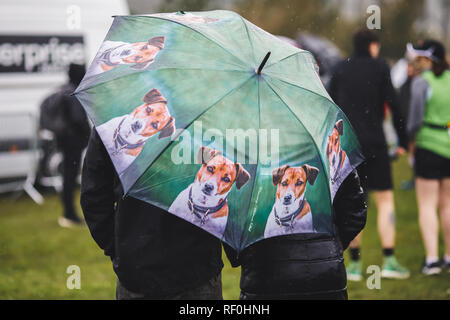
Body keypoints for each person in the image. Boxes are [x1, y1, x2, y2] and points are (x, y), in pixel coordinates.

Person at [80, 129, 224, 299]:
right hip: (183, 266)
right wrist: (116, 248)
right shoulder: (211, 121)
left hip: (187, 267)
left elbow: (93, 195)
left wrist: (119, 248)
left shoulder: (111, 120)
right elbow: (94, 196)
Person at [329, 29, 410, 280]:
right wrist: (402, 140)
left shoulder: (341, 68)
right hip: (376, 142)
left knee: (354, 201)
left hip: (348, 145)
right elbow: (394, 104)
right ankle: (389, 259)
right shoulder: (380, 67)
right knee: (385, 200)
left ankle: (354, 264)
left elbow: (330, 104)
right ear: (373, 45)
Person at [224, 169, 366, 300]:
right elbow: (354, 214)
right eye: (285, 184)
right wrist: (330, 249)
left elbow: (232, 219)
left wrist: (244, 256)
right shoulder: (329, 147)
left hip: (263, 278)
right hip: (325, 277)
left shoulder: (249, 155)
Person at [407, 40, 450, 275]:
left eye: (419, 58)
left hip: (427, 146)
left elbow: (414, 120)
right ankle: (448, 257)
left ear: (429, 60)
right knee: (447, 205)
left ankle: (432, 260)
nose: (415, 62)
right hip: (448, 145)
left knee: (427, 205)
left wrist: (410, 145)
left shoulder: (421, 82)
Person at [53, 64, 91, 227]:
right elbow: (78, 119)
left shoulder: (63, 90)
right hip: (72, 142)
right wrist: (89, 134)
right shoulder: (72, 92)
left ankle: (68, 213)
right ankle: (69, 215)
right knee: (69, 178)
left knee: (67, 178)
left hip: (64, 141)